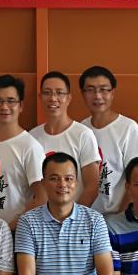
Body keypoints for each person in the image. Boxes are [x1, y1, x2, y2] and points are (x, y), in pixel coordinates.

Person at [0, 75, 46, 228]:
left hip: (15, 232)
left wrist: (10, 228)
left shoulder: (30, 146)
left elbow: (42, 198)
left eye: (11, 101)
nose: (4, 107)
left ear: (20, 106)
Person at [78, 65, 138, 214]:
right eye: (90, 90)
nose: (97, 96)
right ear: (83, 94)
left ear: (112, 92)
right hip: (86, 214)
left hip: (116, 216)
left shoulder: (128, 127)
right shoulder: (81, 128)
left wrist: (120, 217)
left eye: (104, 89)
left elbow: (136, 177)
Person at [29, 72, 100, 208]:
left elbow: (92, 186)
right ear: (40, 97)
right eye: (47, 93)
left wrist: (73, 217)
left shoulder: (83, 134)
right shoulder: (32, 137)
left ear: (68, 98)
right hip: (41, 218)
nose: (53, 98)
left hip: (75, 218)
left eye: (59, 93)